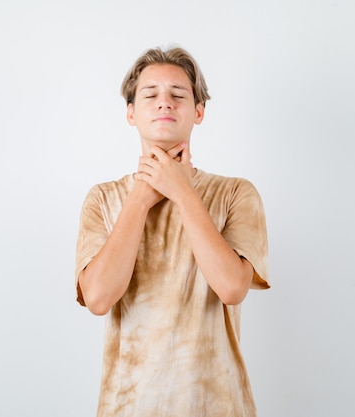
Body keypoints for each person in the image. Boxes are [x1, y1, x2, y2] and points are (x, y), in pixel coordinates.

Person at [75, 45, 270, 417]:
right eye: (150, 95)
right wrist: (139, 200)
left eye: (178, 95)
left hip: (217, 405)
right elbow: (98, 298)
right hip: (128, 406)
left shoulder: (235, 193)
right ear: (131, 112)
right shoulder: (102, 199)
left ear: (198, 111)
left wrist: (182, 191)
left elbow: (231, 288)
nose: (164, 103)